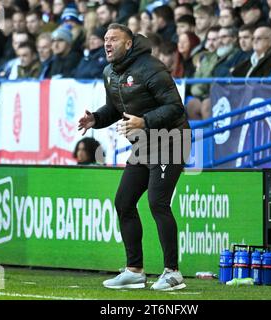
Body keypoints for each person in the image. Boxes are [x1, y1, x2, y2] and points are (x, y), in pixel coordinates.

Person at [77, 23, 191, 291]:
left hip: (171, 139)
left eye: (113, 39)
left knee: (157, 203)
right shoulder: (109, 72)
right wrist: (96, 118)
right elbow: (115, 109)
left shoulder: (151, 67)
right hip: (143, 143)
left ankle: (173, 273)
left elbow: (175, 107)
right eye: (105, 39)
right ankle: (134, 271)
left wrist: (145, 121)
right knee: (124, 202)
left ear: (128, 44)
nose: (107, 44)